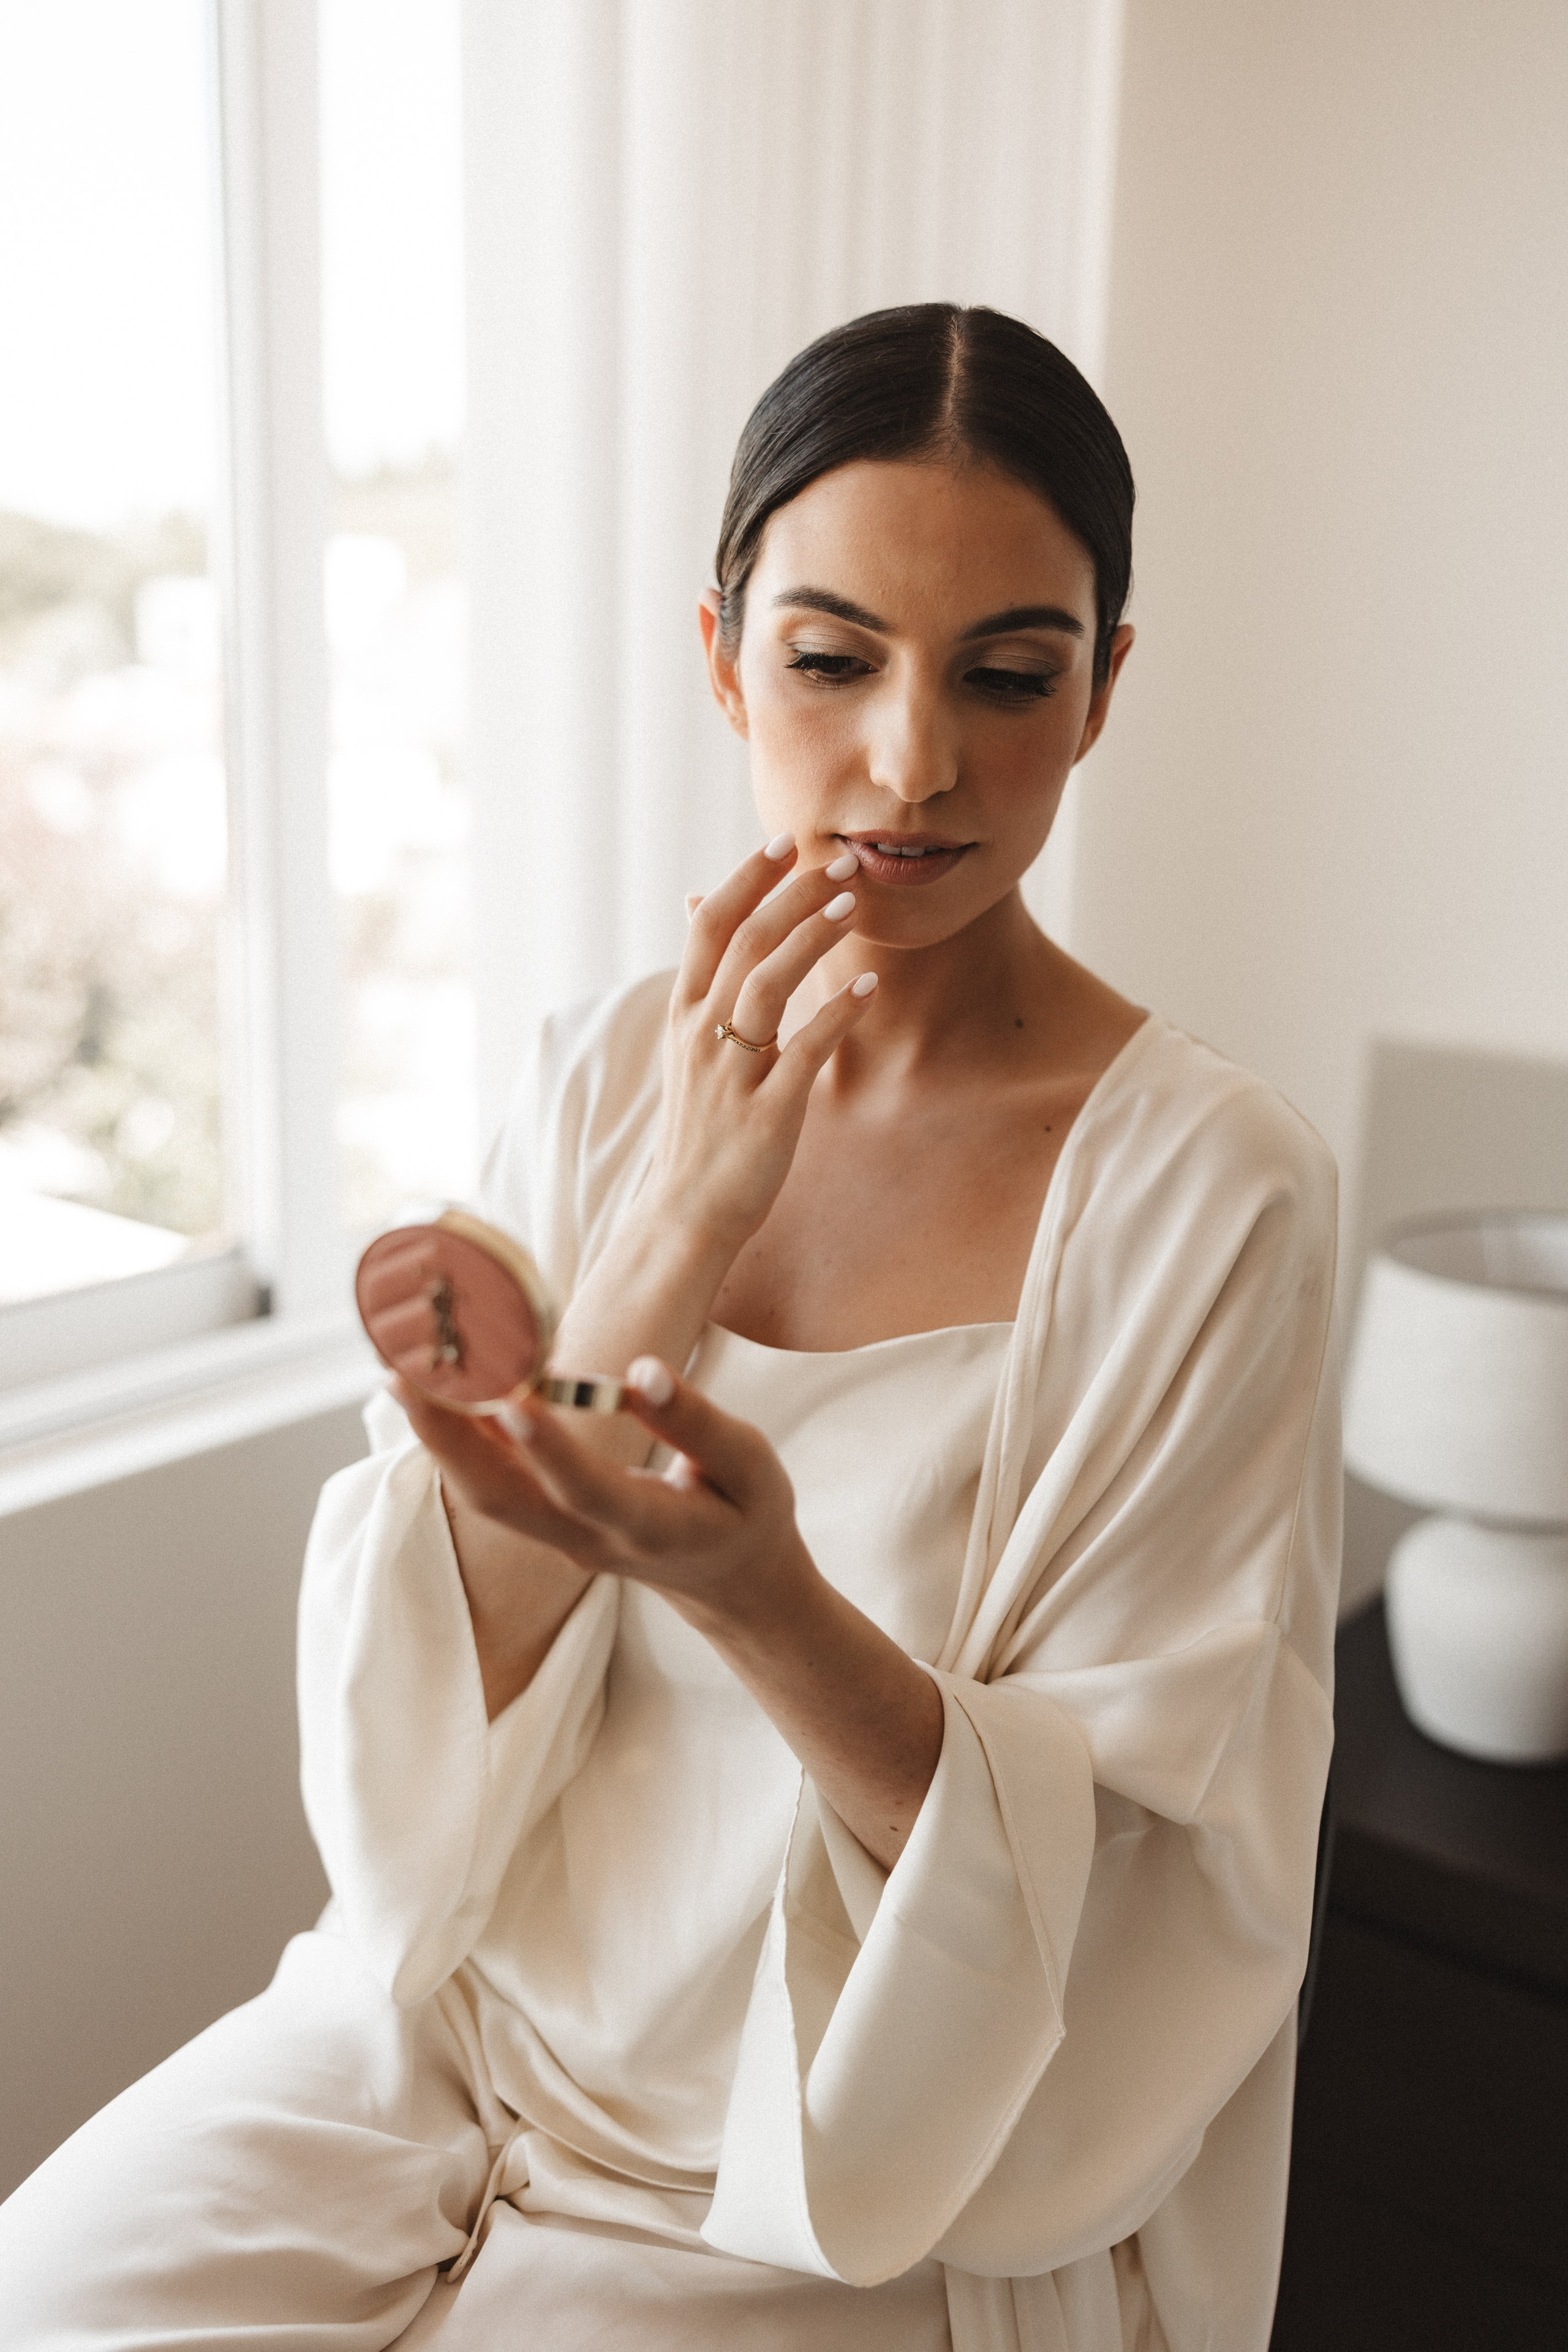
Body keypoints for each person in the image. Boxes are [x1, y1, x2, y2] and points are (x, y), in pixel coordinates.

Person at [0, 305, 1340, 2352]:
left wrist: (762, 1593)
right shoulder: (617, 1066)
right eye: (832, 660)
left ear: (1103, 694)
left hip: (828, 2178)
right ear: (722, 655)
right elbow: (413, 1744)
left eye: (1009, 673)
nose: (913, 760)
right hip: (440, 2050)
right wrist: (678, 1227)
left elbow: (1135, 1890)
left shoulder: (1211, 1194)